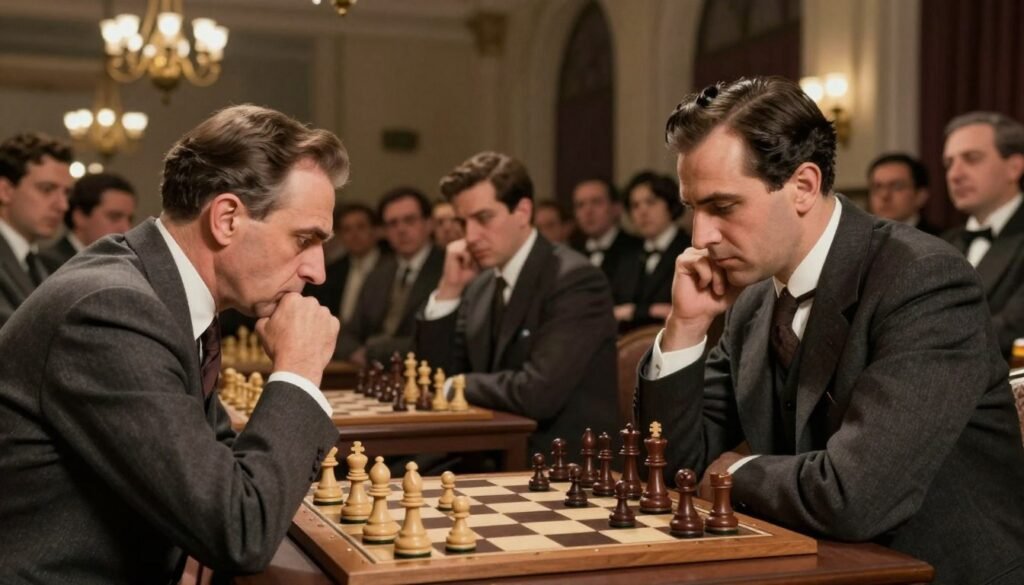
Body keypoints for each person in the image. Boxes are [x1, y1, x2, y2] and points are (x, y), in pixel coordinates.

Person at [635, 77, 1024, 585]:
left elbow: (854, 497)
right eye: (694, 209)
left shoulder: (923, 280)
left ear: (802, 186)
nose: (701, 237)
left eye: (723, 207)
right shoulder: (752, 302)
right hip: (813, 562)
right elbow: (671, 466)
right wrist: (685, 327)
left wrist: (732, 473)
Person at [0, 105, 348, 584]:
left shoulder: (160, 290)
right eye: (304, 239)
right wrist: (299, 371)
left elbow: (220, 467)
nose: (318, 271)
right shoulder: (111, 310)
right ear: (227, 218)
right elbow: (240, 530)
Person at [415, 151, 619, 459]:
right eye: (462, 222)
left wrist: (456, 385)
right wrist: (449, 290)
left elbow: (537, 393)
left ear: (523, 211)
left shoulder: (574, 280)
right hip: (487, 451)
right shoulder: (480, 285)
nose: (470, 236)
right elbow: (432, 378)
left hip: (560, 464)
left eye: (484, 218)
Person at [942, 111, 1024, 358]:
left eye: (972, 158)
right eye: (949, 163)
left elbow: (1014, 326)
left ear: (1014, 167)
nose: (955, 174)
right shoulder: (941, 243)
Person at [335, 187, 443, 364]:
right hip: (373, 370)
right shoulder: (379, 273)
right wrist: (355, 352)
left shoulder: (447, 268)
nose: (401, 229)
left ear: (429, 223)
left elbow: (435, 341)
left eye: (409, 220)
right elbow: (348, 332)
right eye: (392, 223)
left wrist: (373, 352)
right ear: (384, 231)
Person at [0, 132, 74, 327]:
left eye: (66, 193)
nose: (63, 205)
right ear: (5, 191)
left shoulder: (46, 264)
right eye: (47, 189)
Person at [618, 170, 691, 329]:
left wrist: (635, 312)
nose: (642, 211)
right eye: (635, 205)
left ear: (669, 205)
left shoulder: (690, 249)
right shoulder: (626, 256)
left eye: (651, 202)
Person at [40, 171, 137, 272]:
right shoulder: (47, 265)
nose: (126, 228)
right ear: (79, 217)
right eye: (114, 217)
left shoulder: (125, 265)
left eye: (130, 219)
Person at [305, 203, 384, 326]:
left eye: (361, 227)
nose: (354, 235)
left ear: (375, 230)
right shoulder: (331, 272)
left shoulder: (392, 266)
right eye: (347, 229)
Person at [571, 177, 642, 305]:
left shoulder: (638, 249)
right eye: (580, 205)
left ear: (616, 208)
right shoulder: (572, 254)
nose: (588, 211)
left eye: (596, 202)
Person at [866, 153, 939, 234]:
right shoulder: (862, 236)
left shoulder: (939, 239)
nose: (884, 195)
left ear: (920, 196)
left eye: (897, 186)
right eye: (877, 187)